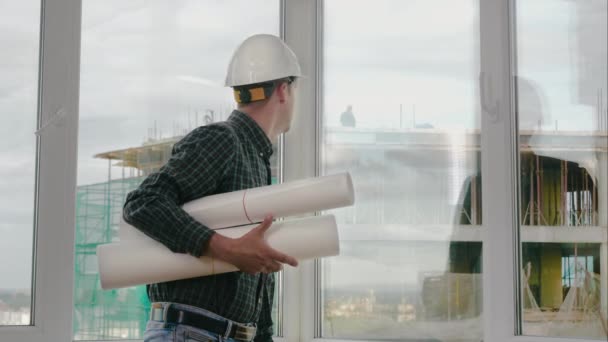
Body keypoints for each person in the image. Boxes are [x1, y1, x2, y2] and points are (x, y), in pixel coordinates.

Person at [123, 34, 302, 342]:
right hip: (192, 331)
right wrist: (227, 249)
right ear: (284, 90)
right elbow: (143, 202)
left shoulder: (256, 161)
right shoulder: (223, 140)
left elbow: (254, 280)